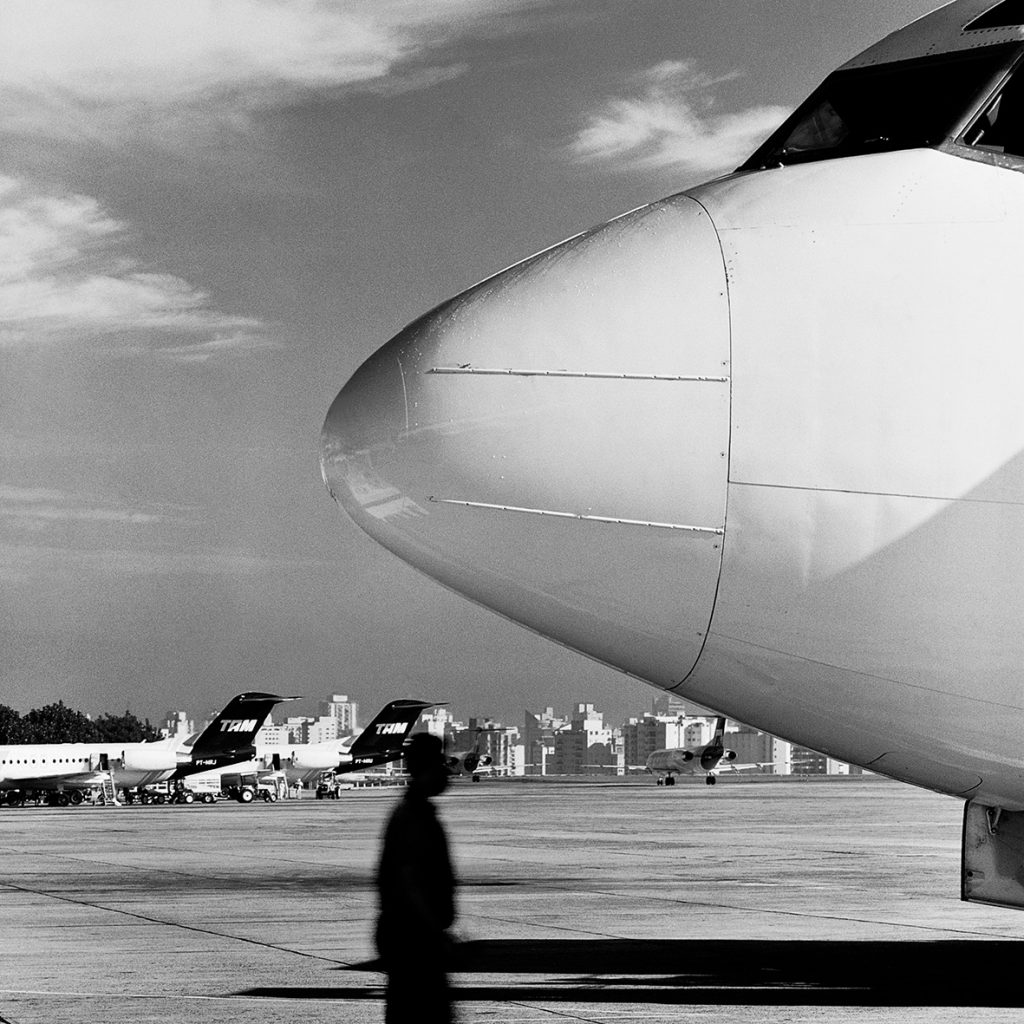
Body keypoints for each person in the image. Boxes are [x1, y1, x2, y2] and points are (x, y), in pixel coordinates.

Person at [375, 732, 457, 1023]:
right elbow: (408, 883)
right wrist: (437, 934)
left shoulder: (415, 813)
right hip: (416, 950)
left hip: (416, 948)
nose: (446, 771)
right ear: (427, 767)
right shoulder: (413, 818)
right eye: (440, 764)